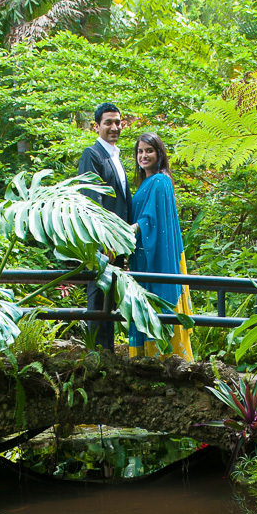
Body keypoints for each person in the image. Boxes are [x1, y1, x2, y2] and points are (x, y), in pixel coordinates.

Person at [128, 133, 193, 361]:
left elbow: (153, 219)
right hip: (143, 255)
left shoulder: (160, 181)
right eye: (140, 151)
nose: (144, 155)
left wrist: (135, 229)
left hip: (157, 255)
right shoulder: (145, 183)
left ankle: (166, 358)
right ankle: (147, 358)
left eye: (149, 151)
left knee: (159, 302)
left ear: (159, 154)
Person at [78, 102, 133, 351]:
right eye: (108, 122)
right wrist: (103, 243)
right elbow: (92, 200)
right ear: (97, 126)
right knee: (98, 295)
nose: (114, 127)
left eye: (117, 122)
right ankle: (97, 357)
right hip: (103, 244)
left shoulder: (116, 158)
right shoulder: (92, 155)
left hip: (118, 244)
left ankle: (107, 354)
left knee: (110, 298)